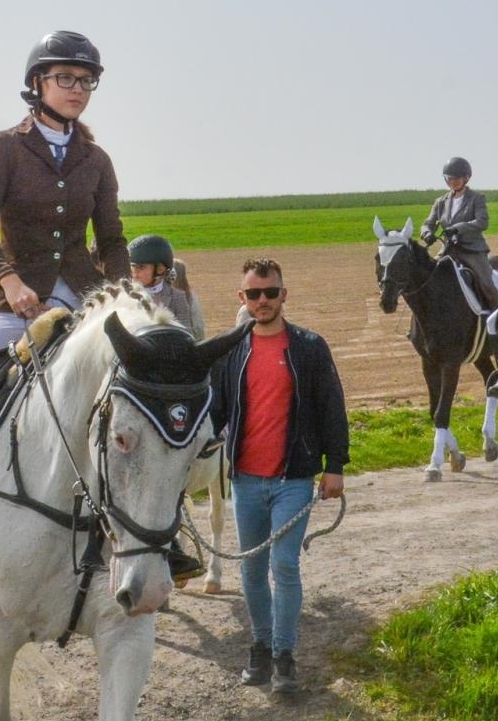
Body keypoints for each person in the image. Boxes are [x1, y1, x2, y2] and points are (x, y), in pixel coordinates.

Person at [0, 30, 130, 574]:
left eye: (86, 81)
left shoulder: (96, 159)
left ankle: (154, 529)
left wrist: (124, 295)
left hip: (83, 293)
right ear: (38, 84)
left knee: (135, 388)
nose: (77, 88)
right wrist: (7, 281)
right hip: (15, 299)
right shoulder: (6, 147)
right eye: (66, 78)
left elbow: (111, 239)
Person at [210, 258, 348, 695]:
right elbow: (214, 412)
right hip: (245, 481)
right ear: (242, 299)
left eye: (271, 292)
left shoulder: (309, 347)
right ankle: (260, 647)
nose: (263, 300)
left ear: (284, 295)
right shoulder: (230, 351)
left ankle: (285, 658)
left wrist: (336, 467)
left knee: (284, 565)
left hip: (295, 478)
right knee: (251, 570)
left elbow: (332, 407)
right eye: (254, 294)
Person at [420, 156, 498, 310]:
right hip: (448, 250)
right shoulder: (440, 202)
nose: (454, 181)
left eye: (458, 178)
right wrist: (427, 233)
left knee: (486, 283)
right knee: (427, 279)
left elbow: (482, 222)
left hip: (472, 251)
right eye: (450, 178)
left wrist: (458, 228)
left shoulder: (477, 198)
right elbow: (428, 223)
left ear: (466, 177)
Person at [128, 234, 204, 338]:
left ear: (160, 269)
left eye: (141, 267)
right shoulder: (123, 296)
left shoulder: (178, 298)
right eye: (133, 266)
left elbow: (187, 335)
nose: (135, 273)